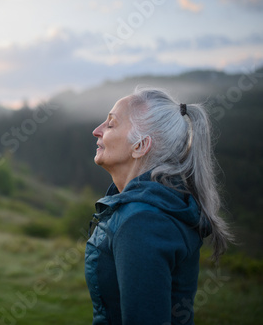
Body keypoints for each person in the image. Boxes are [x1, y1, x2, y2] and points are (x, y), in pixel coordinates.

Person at [84, 87, 233, 325]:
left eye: (111, 124)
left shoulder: (141, 222)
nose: (96, 131)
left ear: (141, 146)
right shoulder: (151, 207)